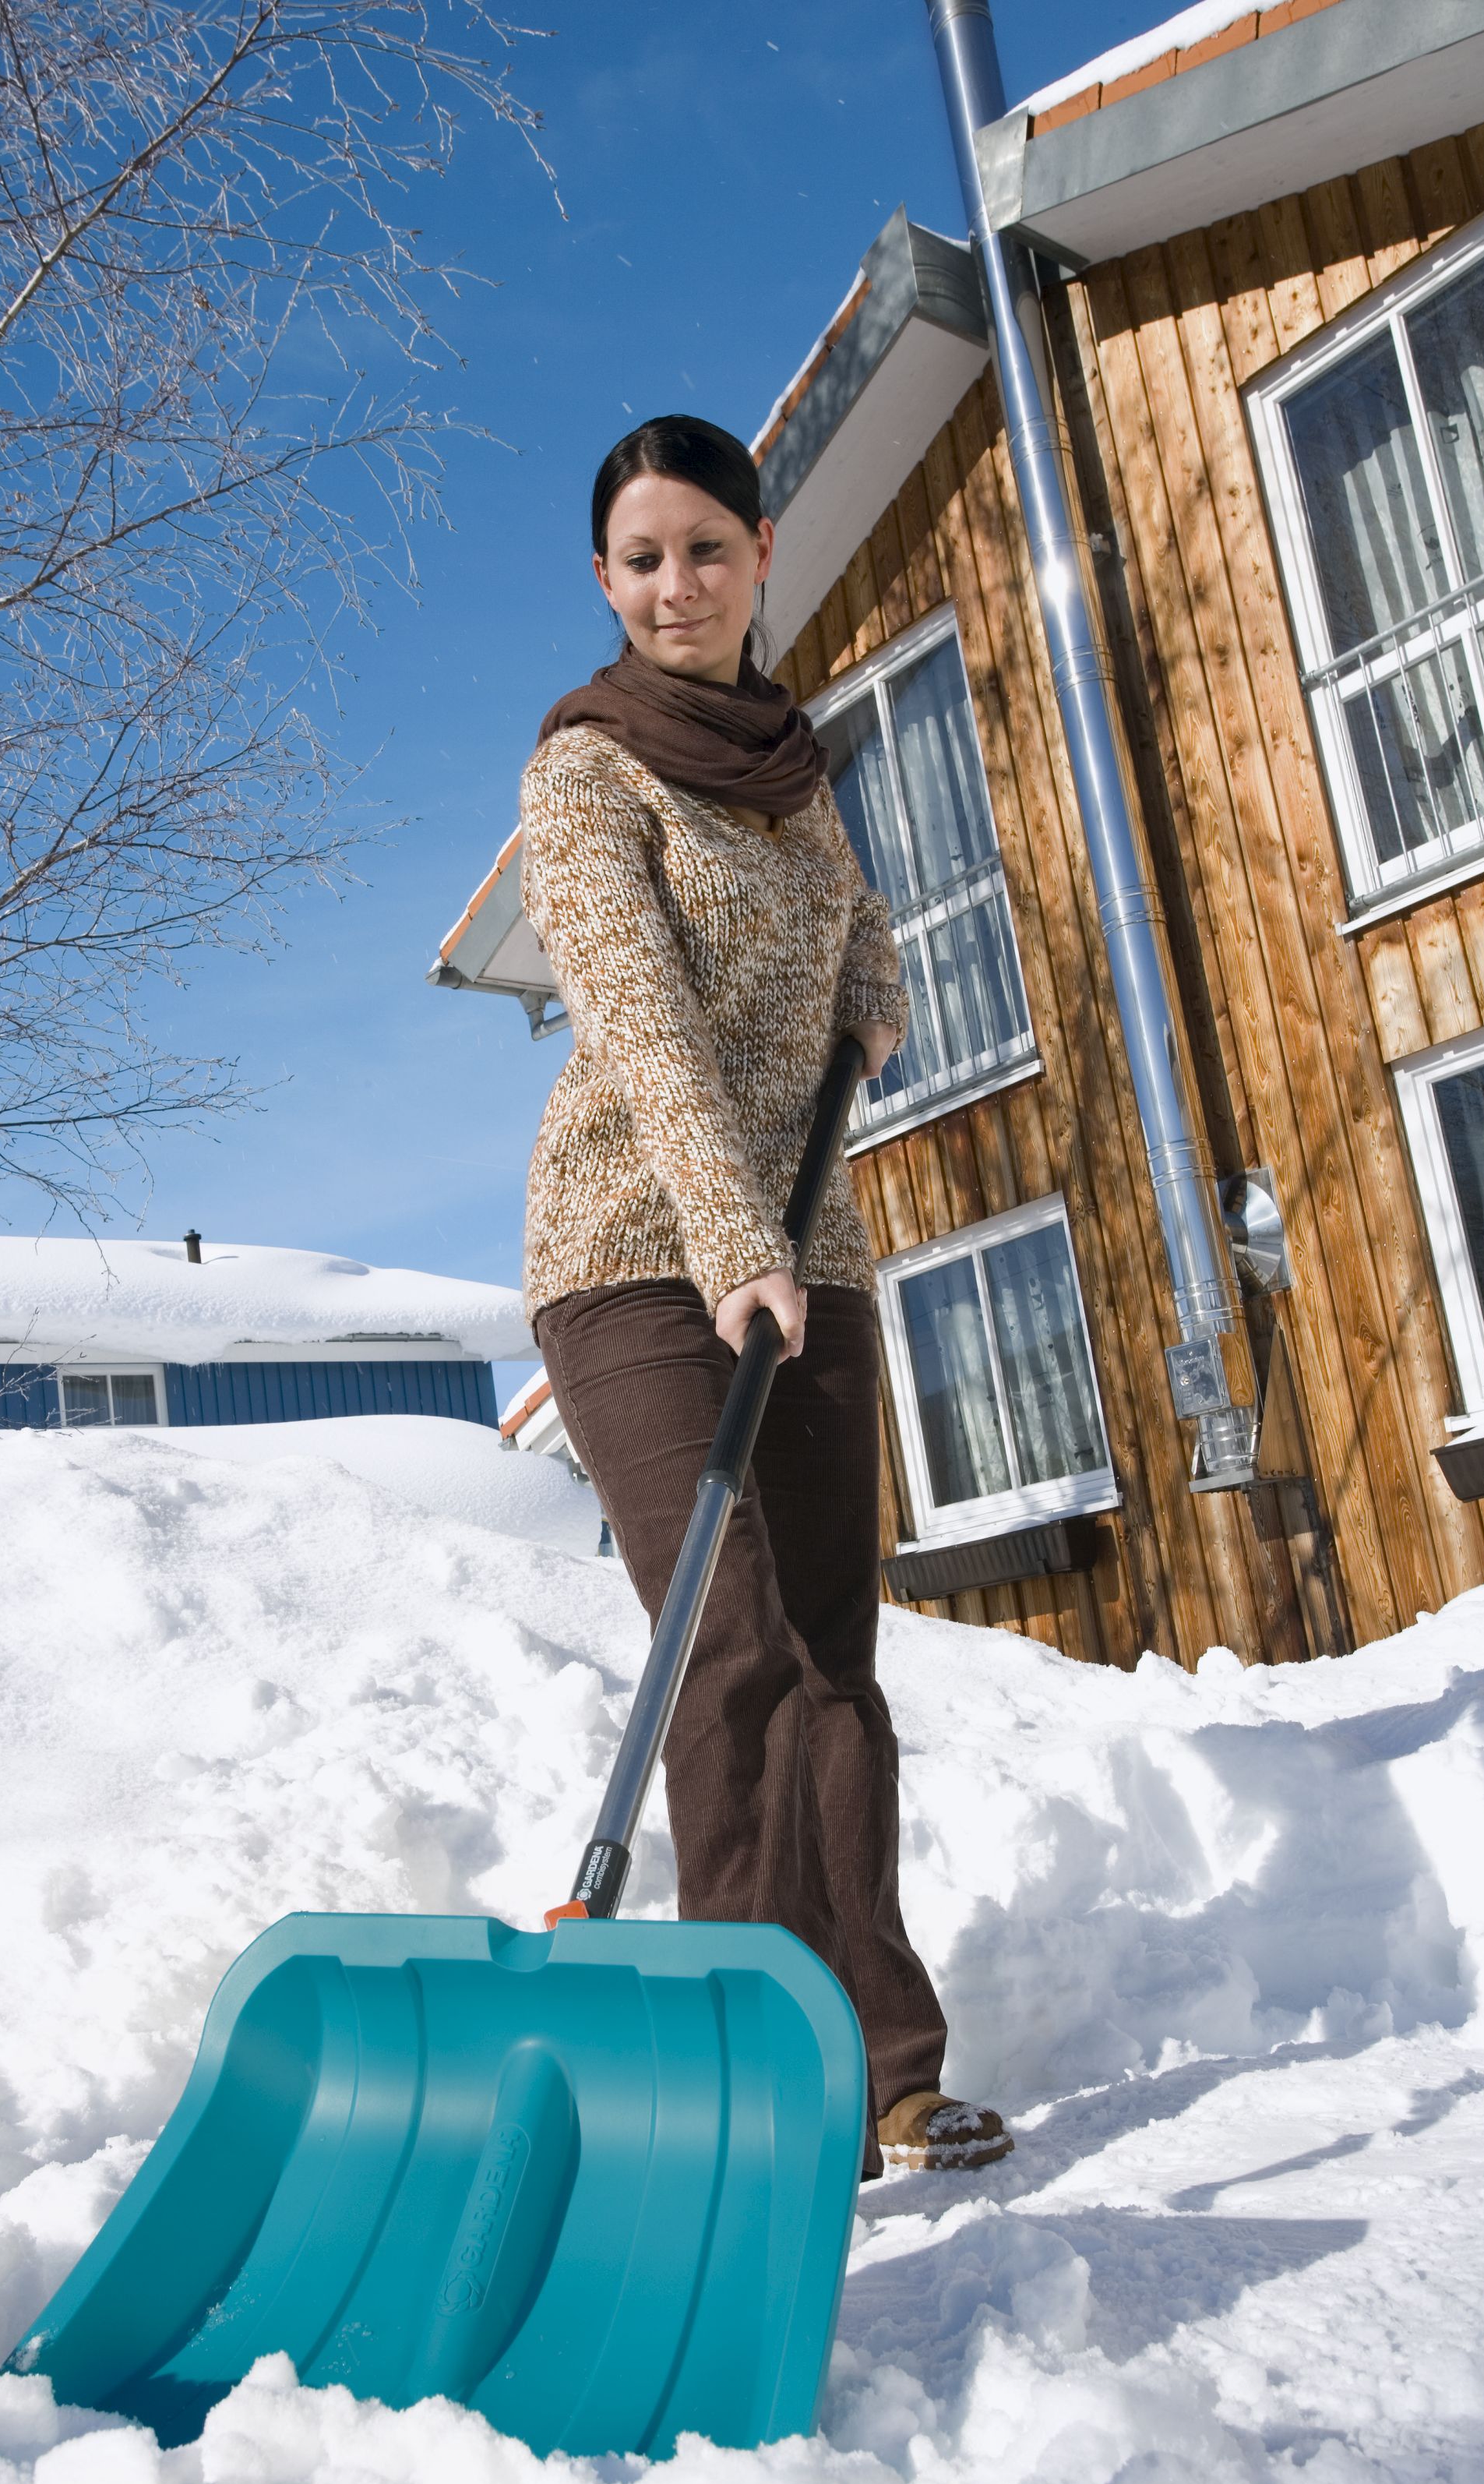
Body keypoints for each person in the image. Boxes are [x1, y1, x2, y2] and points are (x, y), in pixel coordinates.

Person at [518, 413, 1011, 2178]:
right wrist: (734, 1240)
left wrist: (876, 1001)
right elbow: (641, 1016)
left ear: (760, 554)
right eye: (643, 558)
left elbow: (860, 931)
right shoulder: (586, 770)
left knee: (832, 1665)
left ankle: (885, 2063)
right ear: (607, 581)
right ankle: (749, 2073)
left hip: (818, 1254)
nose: (677, 585)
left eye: (707, 549)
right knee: (725, 1652)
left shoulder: (797, 771)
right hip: (638, 1254)